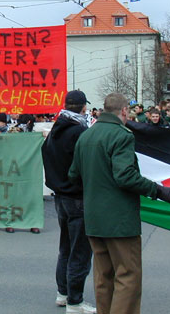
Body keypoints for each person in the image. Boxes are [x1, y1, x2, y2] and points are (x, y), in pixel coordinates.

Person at [68, 93, 170, 314]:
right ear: (124, 111)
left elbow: (73, 174)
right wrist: (160, 191)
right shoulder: (121, 135)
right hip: (119, 220)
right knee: (128, 275)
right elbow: (125, 176)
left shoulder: (86, 136)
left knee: (104, 277)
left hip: (94, 218)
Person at [42, 90, 95, 313]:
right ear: (83, 107)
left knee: (65, 248)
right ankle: (75, 301)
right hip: (77, 197)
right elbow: (87, 164)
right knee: (80, 251)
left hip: (60, 197)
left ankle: (63, 293)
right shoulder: (79, 131)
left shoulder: (55, 129)